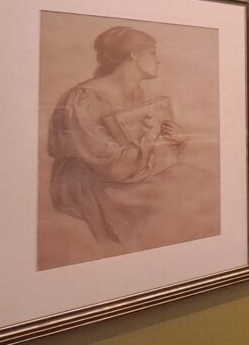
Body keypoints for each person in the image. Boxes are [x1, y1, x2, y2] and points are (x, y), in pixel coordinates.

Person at [47, 26, 189, 247]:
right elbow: (110, 164)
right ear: (133, 54)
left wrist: (176, 138)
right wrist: (151, 137)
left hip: (131, 172)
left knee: (191, 181)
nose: (158, 60)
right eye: (152, 52)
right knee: (178, 195)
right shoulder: (84, 99)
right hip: (91, 183)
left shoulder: (136, 94)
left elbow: (140, 146)